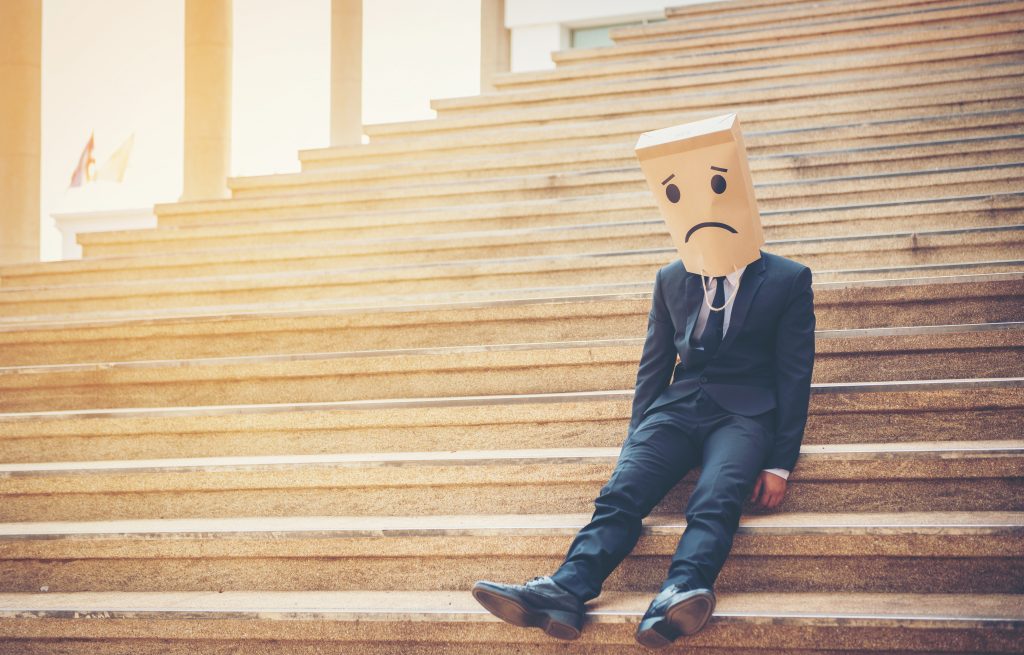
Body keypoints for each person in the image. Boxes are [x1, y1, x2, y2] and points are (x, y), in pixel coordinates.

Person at [471, 114, 816, 649]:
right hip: (677, 407)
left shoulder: (789, 279)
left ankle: (682, 589)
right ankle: (567, 588)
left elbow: (796, 372)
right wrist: (638, 436)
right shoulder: (671, 276)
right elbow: (653, 364)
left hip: (745, 413)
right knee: (621, 493)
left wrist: (780, 462)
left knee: (716, 496)